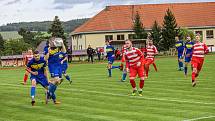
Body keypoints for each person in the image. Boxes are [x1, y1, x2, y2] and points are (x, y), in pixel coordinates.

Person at [44, 37, 66, 104]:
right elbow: (45, 59)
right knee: (57, 80)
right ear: (50, 42)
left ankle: (48, 92)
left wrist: (62, 44)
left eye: (55, 41)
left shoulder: (58, 46)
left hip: (59, 66)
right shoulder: (46, 48)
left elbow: (64, 52)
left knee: (57, 83)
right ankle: (50, 93)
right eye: (52, 41)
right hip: (52, 66)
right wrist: (48, 51)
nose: (54, 43)